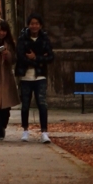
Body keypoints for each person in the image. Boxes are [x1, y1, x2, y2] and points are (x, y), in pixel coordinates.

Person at [15, 13, 54, 143]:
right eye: (32, 23)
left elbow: (51, 57)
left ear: (40, 25)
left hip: (40, 76)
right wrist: (38, 59)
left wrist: (36, 58)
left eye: (37, 23)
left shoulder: (44, 39)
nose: (34, 26)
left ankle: (44, 132)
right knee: (25, 104)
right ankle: (25, 130)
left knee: (42, 104)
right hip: (25, 76)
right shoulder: (22, 38)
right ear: (28, 25)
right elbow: (21, 57)